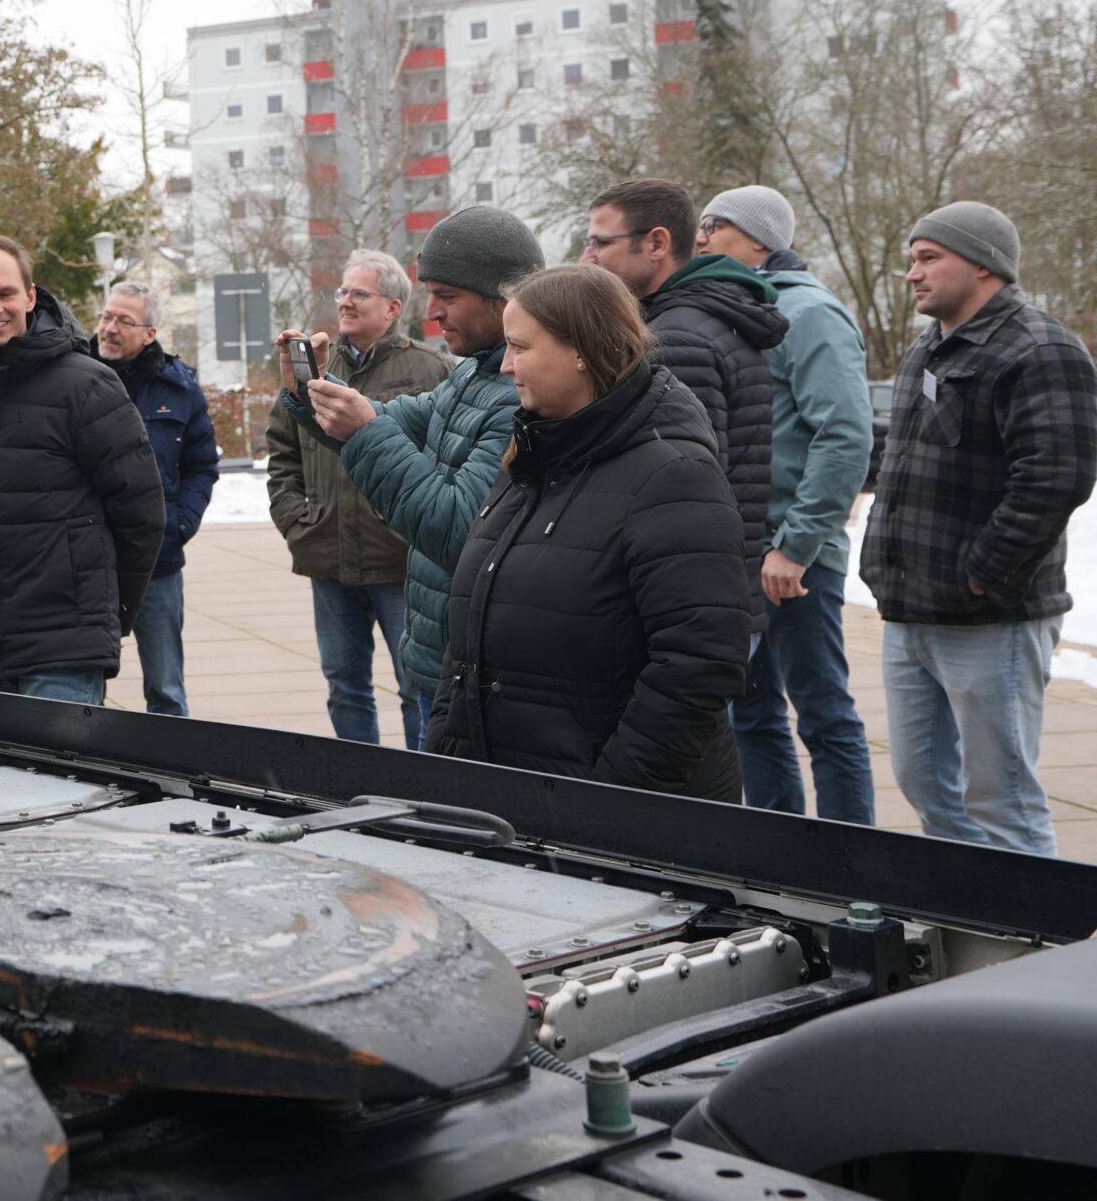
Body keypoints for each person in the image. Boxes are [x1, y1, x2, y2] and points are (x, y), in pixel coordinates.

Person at [432, 265, 753, 798]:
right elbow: (469, 629)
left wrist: (608, 803)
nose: (506, 365)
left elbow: (698, 666)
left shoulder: (672, 475)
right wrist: (447, 747)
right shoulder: (531, 457)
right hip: (508, 804)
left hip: (614, 827)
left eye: (519, 347)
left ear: (580, 349)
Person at [862, 202, 1097, 855]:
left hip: (990, 617)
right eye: (912, 257)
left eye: (929, 256)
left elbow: (1057, 476)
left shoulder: (1041, 348)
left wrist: (979, 574)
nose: (912, 273)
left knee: (1002, 800)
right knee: (925, 786)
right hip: (909, 611)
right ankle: (972, 920)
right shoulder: (926, 348)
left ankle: (1039, 939)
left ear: (984, 264)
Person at [278, 206, 545, 716]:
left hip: (477, 671)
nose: (433, 313)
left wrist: (365, 430)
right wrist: (312, 391)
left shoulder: (517, 393)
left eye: (447, 296)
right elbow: (389, 420)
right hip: (445, 657)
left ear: (504, 298)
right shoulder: (471, 376)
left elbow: (459, 529)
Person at [697, 187, 877, 822]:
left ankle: (854, 867)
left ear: (757, 240)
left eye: (712, 226)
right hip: (748, 553)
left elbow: (847, 435)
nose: (700, 238)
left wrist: (796, 547)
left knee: (824, 716)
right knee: (752, 715)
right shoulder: (744, 311)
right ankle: (782, 855)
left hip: (796, 562)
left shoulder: (810, 314)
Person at [0, 236, 164, 704]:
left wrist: (112, 615)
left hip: (66, 650)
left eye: (6, 293)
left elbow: (141, 514)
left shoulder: (86, 385)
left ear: (31, 297)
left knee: (62, 779)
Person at [266, 249, 448, 747]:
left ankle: (420, 787)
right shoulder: (311, 370)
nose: (344, 302)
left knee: (418, 686)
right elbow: (281, 452)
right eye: (342, 291)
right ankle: (357, 786)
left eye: (358, 293)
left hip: (399, 560)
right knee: (345, 686)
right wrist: (298, 520)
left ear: (392, 307)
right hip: (328, 554)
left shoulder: (431, 369)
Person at [580, 178, 789, 565]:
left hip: (684, 584)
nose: (586, 258)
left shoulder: (677, 339)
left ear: (657, 243)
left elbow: (678, 488)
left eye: (601, 243)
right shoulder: (700, 320)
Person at [91, 280, 220, 716]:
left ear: (150, 333)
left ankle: (171, 781)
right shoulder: (73, 377)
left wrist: (179, 524)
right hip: (84, 559)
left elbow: (201, 466)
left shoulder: (179, 389)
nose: (109, 328)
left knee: (166, 689)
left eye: (124, 321)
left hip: (156, 563)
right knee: (81, 687)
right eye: (106, 316)